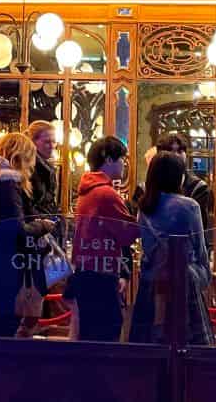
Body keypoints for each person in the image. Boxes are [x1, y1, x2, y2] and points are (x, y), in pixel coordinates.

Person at [0, 133, 55, 337]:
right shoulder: (8, 182)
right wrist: (42, 225)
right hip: (8, 262)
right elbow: (16, 228)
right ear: (21, 156)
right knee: (5, 329)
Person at [129, 152, 214, 345]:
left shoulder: (145, 206)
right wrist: (204, 275)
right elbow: (199, 246)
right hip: (183, 278)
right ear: (178, 177)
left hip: (152, 279)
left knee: (150, 342)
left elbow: (148, 247)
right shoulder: (189, 206)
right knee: (186, 342)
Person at [66, 136, 140, 342]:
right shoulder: (106, 194)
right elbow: (127, 233)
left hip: (86, 272)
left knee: (88, 333)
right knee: (106, 333)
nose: (124, 164)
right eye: (121, 159)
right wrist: (143, 216)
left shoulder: (87, 190)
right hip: (101, 274)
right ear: (108, 159)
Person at [154, 133, 212, 236]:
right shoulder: (145, 188)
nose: (176, 155)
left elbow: (199, 228)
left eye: (180, 151)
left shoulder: (198, 187)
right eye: (170, 151)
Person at [27, 120, 60, 221]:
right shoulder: (29, 168)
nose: (52, 146)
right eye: (47, 142)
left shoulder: (47, 167)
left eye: (54, 141)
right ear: (33, 142)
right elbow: (29, 207)